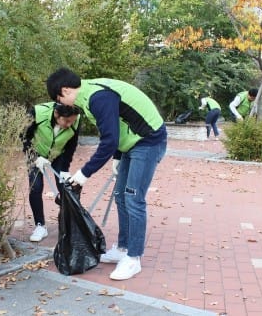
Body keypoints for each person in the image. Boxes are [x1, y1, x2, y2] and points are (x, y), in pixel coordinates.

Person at [46, 68, 167, 281]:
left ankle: (133, 258)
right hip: (132, 143)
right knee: (120, 196)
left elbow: (109, 141)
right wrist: (119, 156)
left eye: (58, 99)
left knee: (133, 199)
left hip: (149, 141)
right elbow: (119, 122)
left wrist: (83, 174)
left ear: (65, 90)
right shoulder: (87, 96)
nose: (62, 105)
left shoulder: (97, 97)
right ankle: (122, 248)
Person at [21, 102, 81, 242]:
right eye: (66, 121)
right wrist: (35, 157)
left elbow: (72, 145)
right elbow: (24, 136)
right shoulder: (38, 113)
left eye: (71, 121)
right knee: (35, 187)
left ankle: (67, 226)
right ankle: (40, 226)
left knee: (65, 189)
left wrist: (65, 169)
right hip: (35, 153)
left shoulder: (75, 119)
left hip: (58, 155)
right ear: (56, 114)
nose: (69, 124)